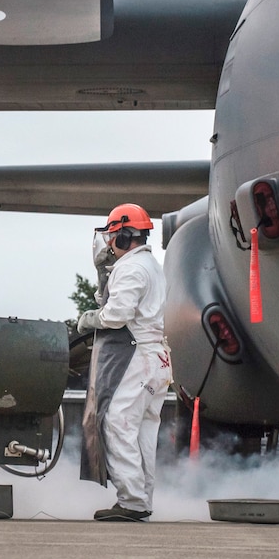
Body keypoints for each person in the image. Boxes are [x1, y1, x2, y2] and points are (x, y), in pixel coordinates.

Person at [76, 203, 171, 521]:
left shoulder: (131, 269)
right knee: (143, 431)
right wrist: (105, 275)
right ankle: (141, 499)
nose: (108, 243)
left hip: (138, 357)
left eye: (113, 235)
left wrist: (90, 319)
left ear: (124, 235)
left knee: (118, 423)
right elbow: (118, 301)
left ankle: (131, 501)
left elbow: (117, 315)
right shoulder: (148, 265)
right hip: (156, 358)